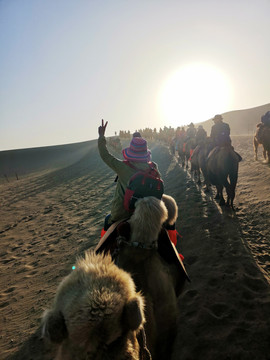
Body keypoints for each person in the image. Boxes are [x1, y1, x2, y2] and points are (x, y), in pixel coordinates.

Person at [98, 119, 161, 232]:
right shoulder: (153, 167)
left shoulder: (123, 167)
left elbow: (105, 155)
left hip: (122, 214)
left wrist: (101, 136)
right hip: (147, 214)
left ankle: (103, 250)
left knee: (107, 221)